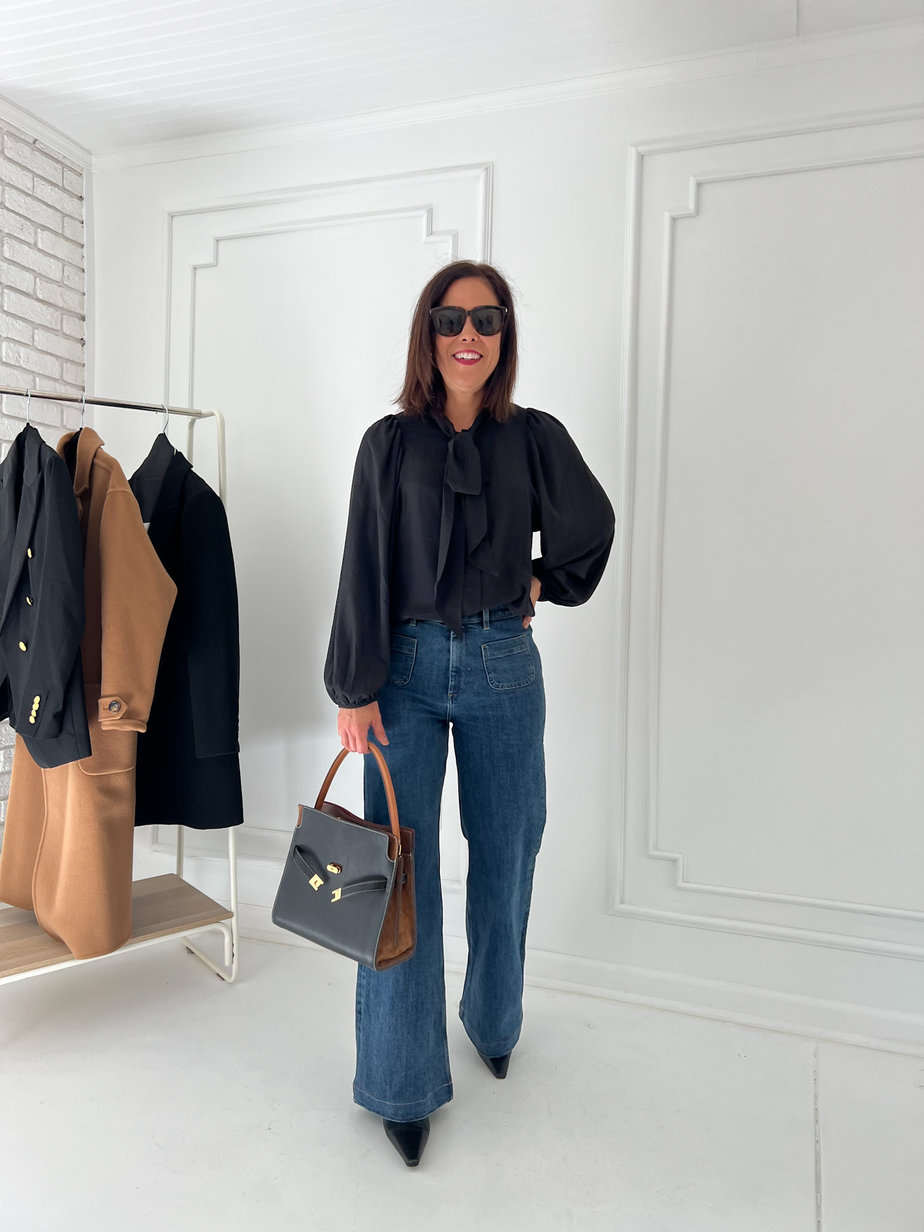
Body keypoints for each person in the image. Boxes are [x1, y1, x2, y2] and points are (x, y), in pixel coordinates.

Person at [324, 259, 614, 1167]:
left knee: (507, 857)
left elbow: (590, 526)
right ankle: (401, 1084)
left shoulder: (534, 438)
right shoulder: (387, 443)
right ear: (428, 333)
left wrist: (541, 578)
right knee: (395, 875)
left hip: (500, 663)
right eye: (451, 321)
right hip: (402, 670)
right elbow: (361, 561)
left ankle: (493, 1024)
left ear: (504, 337)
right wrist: (354, 688)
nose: (468, 337)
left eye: (487, 321)